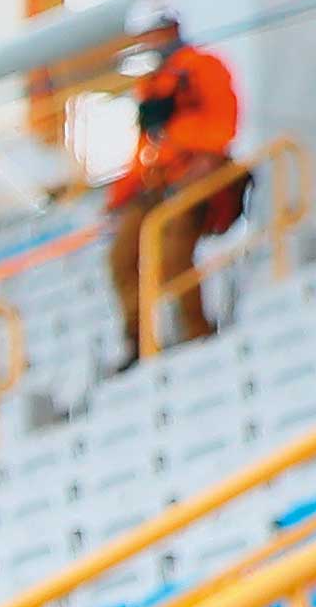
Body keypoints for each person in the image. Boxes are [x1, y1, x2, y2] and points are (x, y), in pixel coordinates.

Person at [103, 19, 248, 363]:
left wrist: (181, 139)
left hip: (199, 174)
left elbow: (222, 128)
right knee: (121, 256)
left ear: (171, 30)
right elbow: (143, 152)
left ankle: (196, 331)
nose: (149, 43)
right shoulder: (152, 85)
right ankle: (138, 341)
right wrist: (119, 198)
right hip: (160, 182)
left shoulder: (203, 67)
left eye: (153, 34)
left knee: (173, 249)